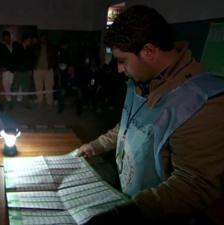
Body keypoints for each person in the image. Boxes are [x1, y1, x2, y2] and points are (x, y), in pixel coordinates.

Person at [80, 5, 224, 225]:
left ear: (148, 51)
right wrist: (94, 147)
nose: (119, 69)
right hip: (128, 199)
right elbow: (128, 125)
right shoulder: (140, 80)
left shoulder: (202, 102)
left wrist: (127, 214)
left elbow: (194, 185)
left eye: (122, 60)